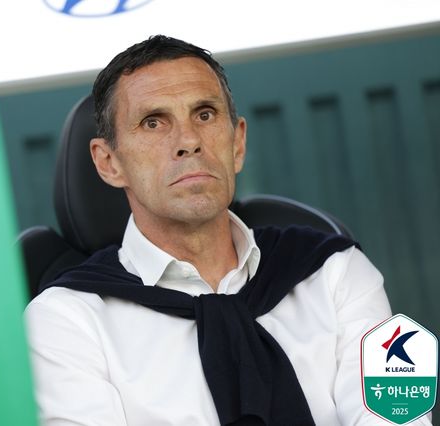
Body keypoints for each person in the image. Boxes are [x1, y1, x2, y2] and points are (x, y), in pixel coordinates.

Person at [24, 35, 432, 425]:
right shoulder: (65, 321)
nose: (188, 141)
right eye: (153, 122)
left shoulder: (335, 270)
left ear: (237, 144)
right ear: (109, 163)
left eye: (204, 114)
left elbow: (396, 418)